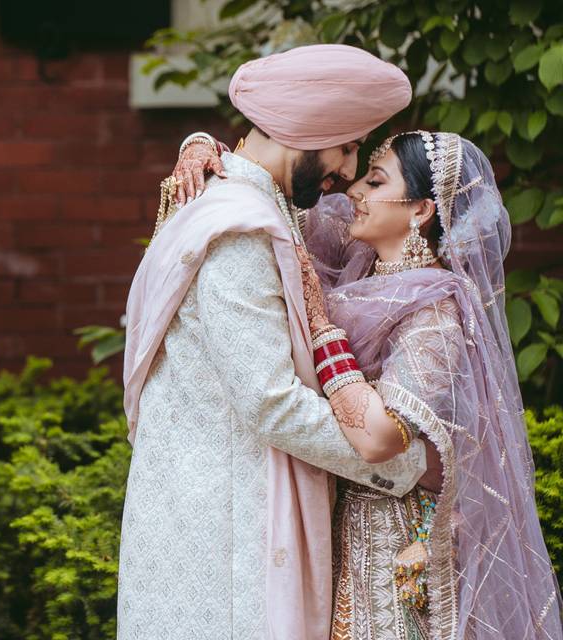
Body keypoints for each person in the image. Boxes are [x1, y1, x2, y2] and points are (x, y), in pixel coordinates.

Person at [174, 129, 563, 638]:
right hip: (335, 514)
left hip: (395, 533)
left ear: (420, 210)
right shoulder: (358, 263)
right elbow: (274, 189)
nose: (354, 190)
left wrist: (322, 331)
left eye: (375, 181)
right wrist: (205, 149)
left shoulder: (436, 315)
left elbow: (381, 436)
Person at [118, 44, 440, 640]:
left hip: (227, 513)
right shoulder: (239, 231)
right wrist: (412, 465)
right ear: (308, 132)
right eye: (346, 148)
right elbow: (271, 402)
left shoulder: (263, 205)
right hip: (228, 529)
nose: (347, 172)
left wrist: (201, 140)